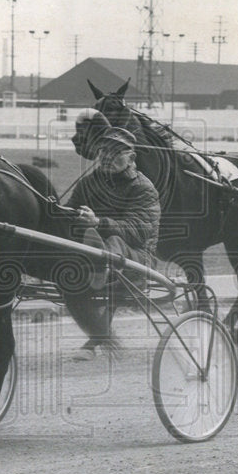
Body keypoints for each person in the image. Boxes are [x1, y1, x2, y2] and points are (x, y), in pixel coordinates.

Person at [67, 118, 161, 360]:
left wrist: (98, 222)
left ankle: (98, 265)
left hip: (137, 256)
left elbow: (139, 230)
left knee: (114, 243)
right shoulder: (88, 183)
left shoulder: (143, 188)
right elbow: (68, 213)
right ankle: (93, 263)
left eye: (116, 152)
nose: (108, 157)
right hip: (96, 252)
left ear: (131, 158)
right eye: (103, 151)